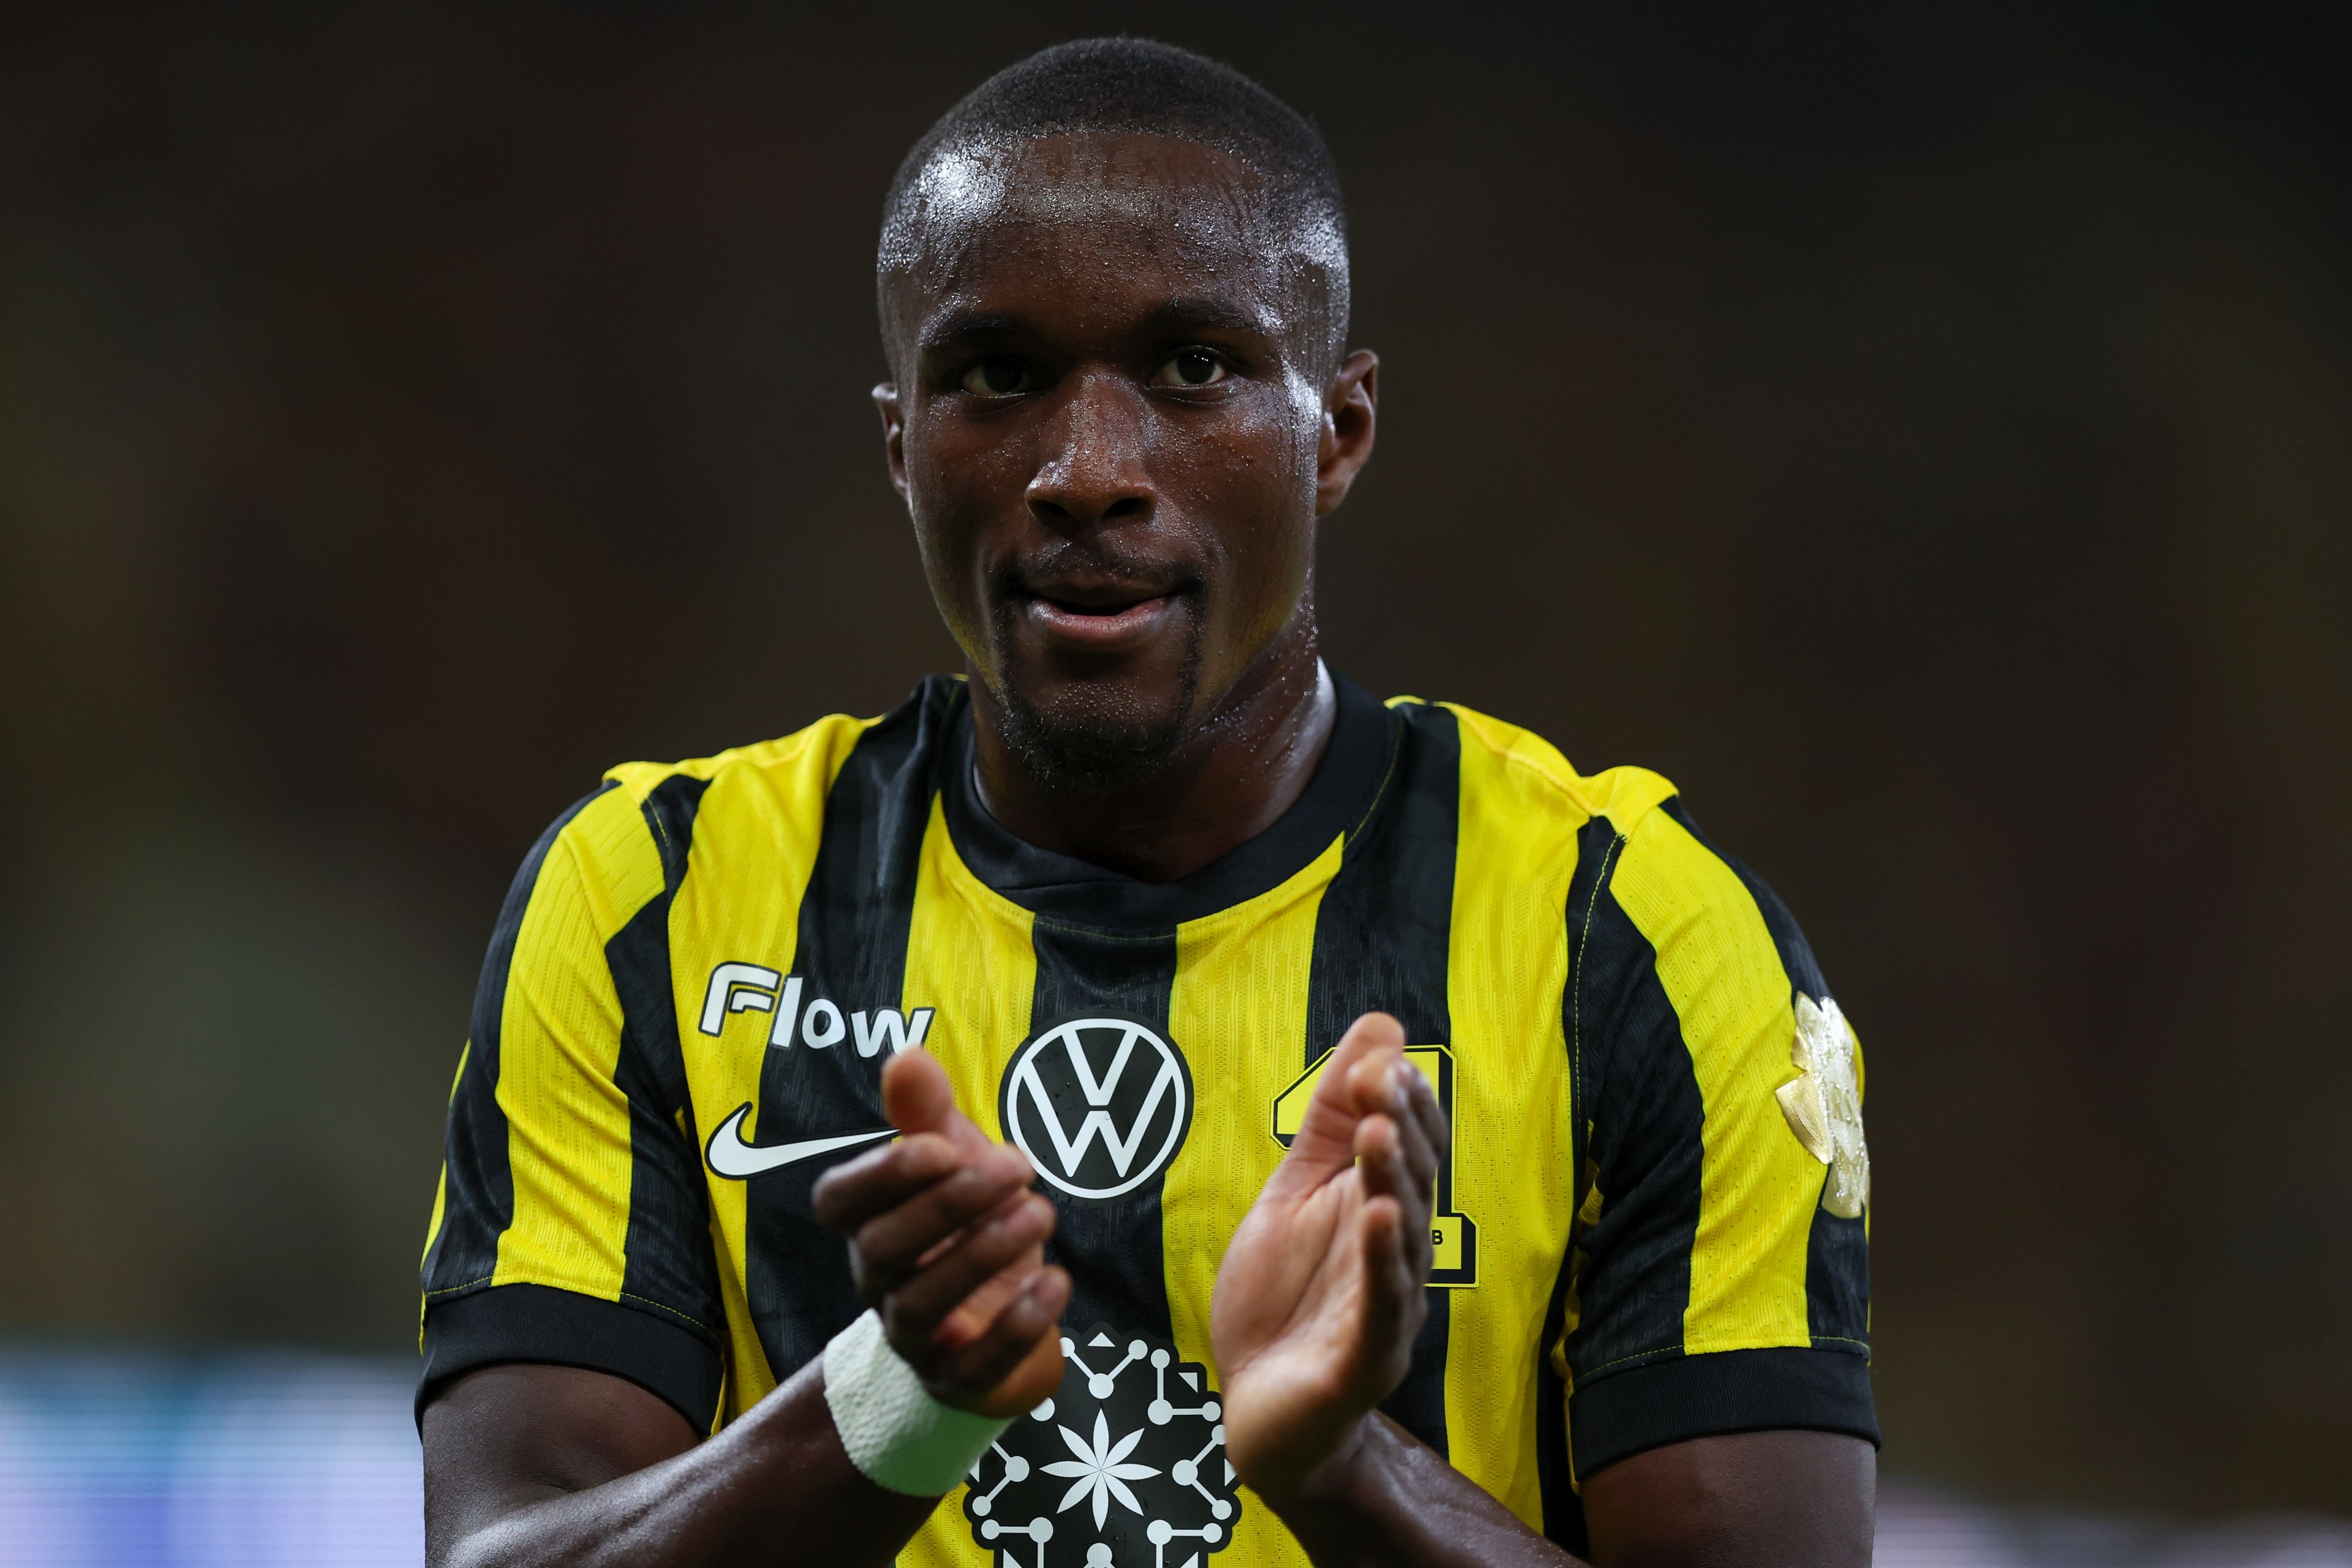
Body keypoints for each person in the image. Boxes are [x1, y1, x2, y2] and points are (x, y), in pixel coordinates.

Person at [417, 37, 1877, 1568]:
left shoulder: (1632, 936)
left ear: (1338, 430)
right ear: (902, 445)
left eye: (1193, 367)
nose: (1088, 469)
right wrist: (888, 1401)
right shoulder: (656, 898)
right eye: (999, 374)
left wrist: (1344, 1463)